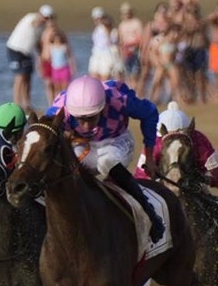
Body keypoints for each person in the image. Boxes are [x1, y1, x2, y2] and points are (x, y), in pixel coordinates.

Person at [46, 75, 165, 243]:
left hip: (117, 140)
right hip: (84, 144)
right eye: (82, 119)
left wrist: (150, 158)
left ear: (102, 107)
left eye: (92, 117)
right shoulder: (60, 108)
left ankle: (150, 214)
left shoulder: (118, 98)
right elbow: (42, 133)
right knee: (68, 164)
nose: (87, 125)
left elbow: (150, 113)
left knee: (106, 163)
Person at [6, 5, 52, 109]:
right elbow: (34, 22)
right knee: (20, 76)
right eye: (44, 17)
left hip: (27, 52)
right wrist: (41, 21)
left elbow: (38, 44)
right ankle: (16, 103)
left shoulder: (42, 28)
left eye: (47, 18)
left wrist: (40, 59)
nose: (45, 20)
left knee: (27, 77)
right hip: (15, 48)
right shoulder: (31, 17)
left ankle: (26, 103)